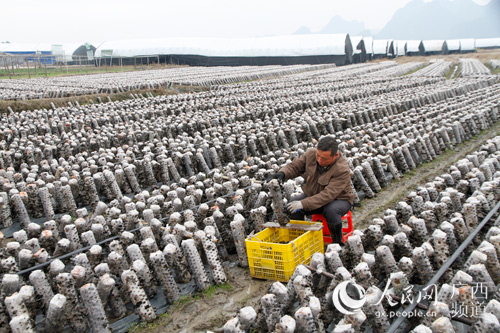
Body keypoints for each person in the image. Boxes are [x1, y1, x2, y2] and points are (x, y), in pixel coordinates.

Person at [267, 136, 354, 245]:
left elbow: (328, 195)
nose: (319, 160)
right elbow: (295, 167)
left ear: (335, 155)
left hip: (339, 199)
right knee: (292, 206)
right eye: (318, 155)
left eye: (324, 158)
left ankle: (337, 242)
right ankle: (300, 239)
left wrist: (303, 203)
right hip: (314, 196)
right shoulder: (311, 154)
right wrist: (282, 173)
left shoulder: (341, 169)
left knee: (331, 210)